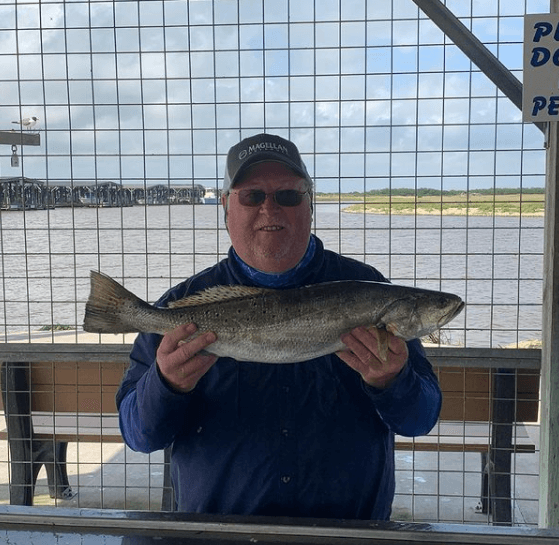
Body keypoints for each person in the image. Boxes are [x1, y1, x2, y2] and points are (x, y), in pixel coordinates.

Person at [116, 133, 442, 520]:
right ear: (225, 206)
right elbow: (139, 435)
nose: (270, 209)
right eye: (252, 196)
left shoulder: (370, 291)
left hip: (351, 544)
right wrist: (166, 386)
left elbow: (422, 418)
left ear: (309, 203)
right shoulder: (182, 303)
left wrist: (394, 383)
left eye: (288, 195)